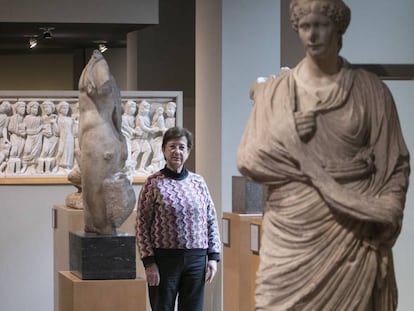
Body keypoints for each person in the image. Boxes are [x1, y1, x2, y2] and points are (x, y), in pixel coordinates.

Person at [237, 0, 410, 310]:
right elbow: (250, 158)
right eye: (305, 26)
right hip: (291, 229)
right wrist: (288, 133)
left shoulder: (370, 91)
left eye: (321, 25)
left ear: (338, 28)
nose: (312, 35)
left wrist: (388, 207)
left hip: (353, 230)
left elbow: (395, 162)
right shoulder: (277, 91)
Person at [135, 126, 221, 311]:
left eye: (182, 147)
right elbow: (142, 225)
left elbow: (211, 220)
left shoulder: (198, 182)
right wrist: (149, 262)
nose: (177, 151)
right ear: (164, 150)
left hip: (196, 259)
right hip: (164, 260)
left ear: (188, 151)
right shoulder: (153, 183)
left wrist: (213, 257)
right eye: (172, 146)